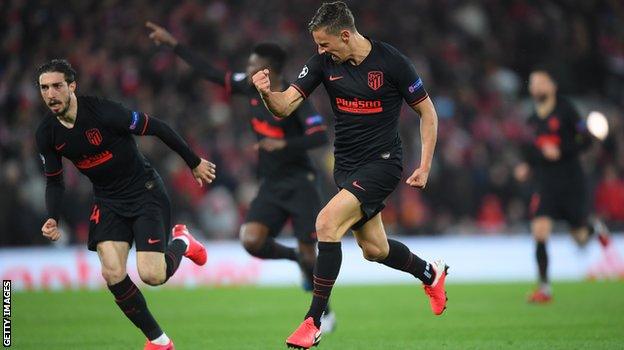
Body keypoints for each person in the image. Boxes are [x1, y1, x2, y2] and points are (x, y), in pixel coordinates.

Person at [251, 2, 447, 348]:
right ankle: (431, 274)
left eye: (324, 44)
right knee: (375, 249)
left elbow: (427, 112)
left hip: (383, 163)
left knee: (326, 223)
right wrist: (266, 93)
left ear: (345, 35)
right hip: (346, 167)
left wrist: (425, 164)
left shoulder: (391, 62)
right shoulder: (323, 64)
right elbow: (284, 107)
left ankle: (313, 321)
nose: (319, 50)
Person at [145, 22, 337, 331]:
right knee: (251, 240)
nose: (246, 69)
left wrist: (283, 143)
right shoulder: (250, 87)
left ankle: (324, 312)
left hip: (302, 183)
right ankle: (299, 262)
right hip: (272, 184)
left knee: (309, 254)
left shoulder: (294, 96)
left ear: (270, 70)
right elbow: (212, 74)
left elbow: (319, 136)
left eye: (253, 65)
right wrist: (174, 45)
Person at [35, 59, 215, 350]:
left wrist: (193, 162)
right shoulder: (46, 133)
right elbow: (54, 180)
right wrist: (53, 217)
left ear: (72, 87)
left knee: (152, 275)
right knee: (112, 273)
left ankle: (182, 242)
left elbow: (158, 127)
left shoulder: (103, 112)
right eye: (44, 88)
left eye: (57, 86)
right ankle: (159, 341)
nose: (50, 93)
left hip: (144, 192)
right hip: (108, 201)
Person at [515, 69, 611, 304]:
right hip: (547, 184)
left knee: (579, 238)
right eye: (534, 83)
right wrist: (527, 165)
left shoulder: (567, 110)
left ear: (552, 86)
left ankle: (593, 228)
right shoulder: (533, 119)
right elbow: (536, 150)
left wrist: (562, 151)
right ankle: (544, 289)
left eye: (542, 83)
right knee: (539, 231)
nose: (537, 87)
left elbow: (586, 139)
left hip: (571, 182)